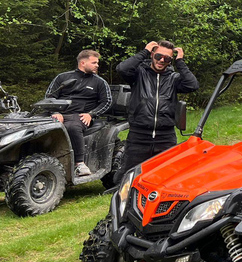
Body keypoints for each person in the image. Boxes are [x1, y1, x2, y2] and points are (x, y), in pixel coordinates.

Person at [116, 40, 199, 179]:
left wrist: (180, 62)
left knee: (167, 176)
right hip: (139, 135)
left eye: (166, 58)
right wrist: (144, 52)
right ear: (152, 54)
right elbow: (122, 69)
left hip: (165, 136)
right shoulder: (139, 73)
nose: (161, 60)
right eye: (158, 56)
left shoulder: (173, 78)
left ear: (170, 61)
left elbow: (192, 85)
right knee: (127, 177)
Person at [46, 50, 113, 176]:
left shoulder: (99, 82)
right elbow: (49, 97)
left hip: (80, 116)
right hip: (58, 114)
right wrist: (55, 111)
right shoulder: (62, 78)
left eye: (97, 63)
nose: (97, 65)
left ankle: (79, 164)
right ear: (83, 62)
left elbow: (107, 102)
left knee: (72, 127)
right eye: (94, 63)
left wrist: (91, 114)